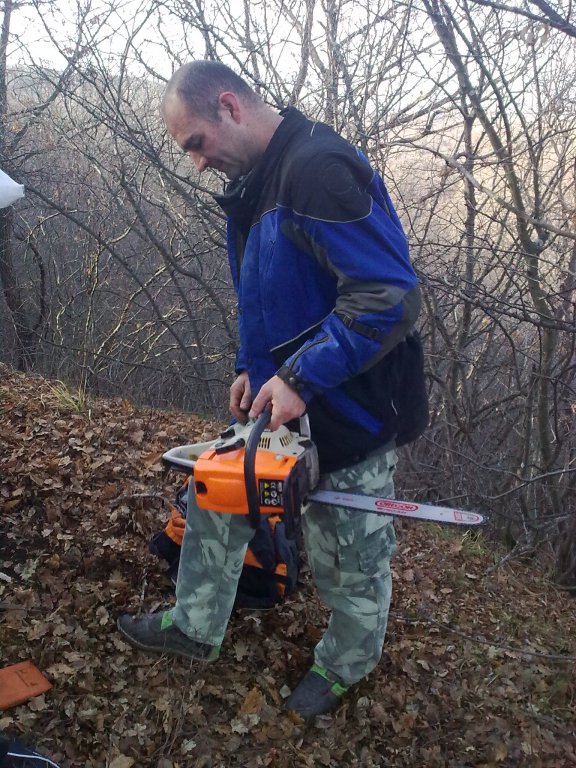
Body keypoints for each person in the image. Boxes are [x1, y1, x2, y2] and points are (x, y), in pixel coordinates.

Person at [118, 60, 428, 719]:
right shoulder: (256, 182)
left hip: (350, 410)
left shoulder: (317, 170)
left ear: (229, 106)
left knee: (349, 557)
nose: (197, 163)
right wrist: (250, 368)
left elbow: (387, 297)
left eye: (196, 142)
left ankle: (345, 666)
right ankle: (194, 625)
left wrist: (300, 377)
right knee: (216, 496)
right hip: (281, 401)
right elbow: (266, 298)